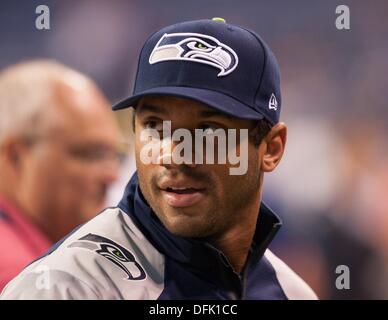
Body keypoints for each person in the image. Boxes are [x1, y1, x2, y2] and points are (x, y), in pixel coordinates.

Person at [1, 19, 317, 299]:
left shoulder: (292, 293)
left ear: (271, 148)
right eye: (154, 126)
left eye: (207, 130)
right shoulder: (66, 288)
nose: (174, 155)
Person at [0, 60, 121, 291]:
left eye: (113, 156)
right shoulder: (21, 278)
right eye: (91, 154)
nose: (112, 176)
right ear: (16, 157)